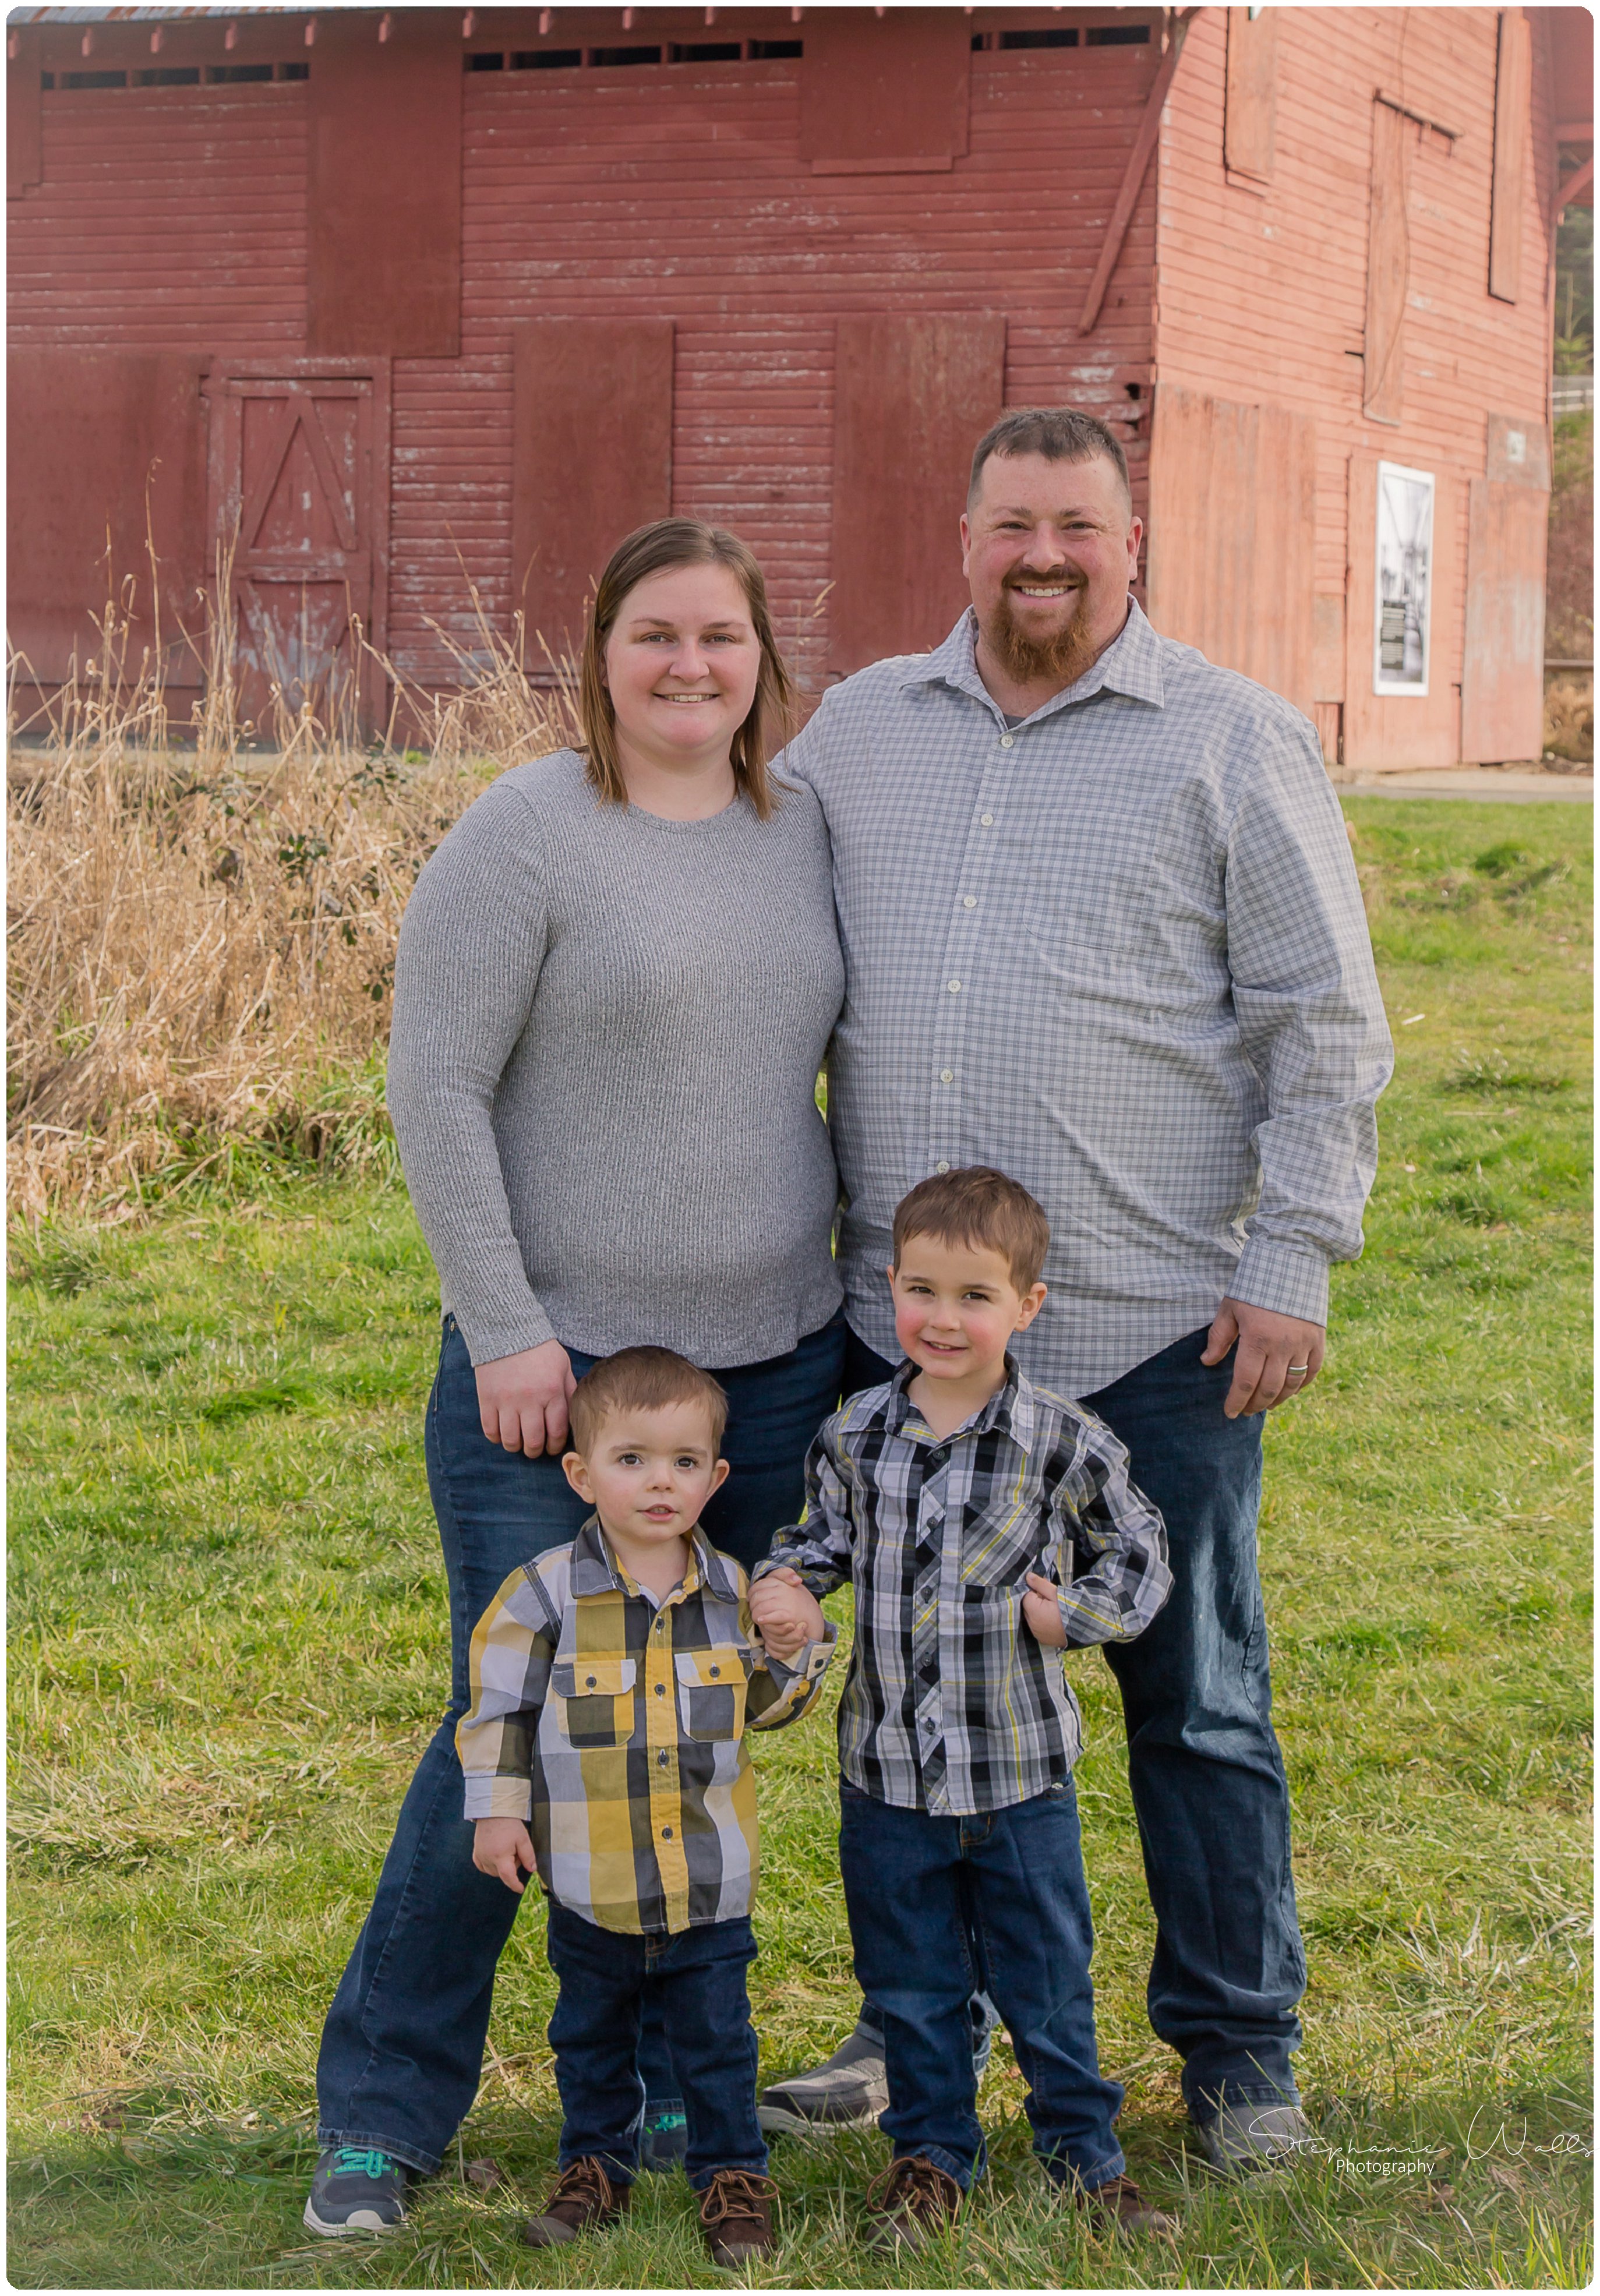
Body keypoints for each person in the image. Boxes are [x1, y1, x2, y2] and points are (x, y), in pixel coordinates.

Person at [758, 408, 1394, 2176]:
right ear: (961, 539)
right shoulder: (860, 733)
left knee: (1191, 1696)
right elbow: (729, 884)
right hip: (918, 1355)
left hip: (1154, 1334)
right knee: (914, 1704)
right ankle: (919, 2034)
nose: (1043, 557)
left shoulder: (1230, 740)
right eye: (1012, 526)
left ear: (1133, 548)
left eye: (1077, 531)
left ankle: (1238, 2051)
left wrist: (1289, 1263)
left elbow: (1321, 1028)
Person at [304, 518, 848, 2236]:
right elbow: (434, 1086)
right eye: (655, 636)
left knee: (696, 1720)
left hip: (769, 1373)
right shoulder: (528, 832)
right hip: (554, 1388)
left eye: (722, 638)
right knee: (514, 1730)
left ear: (765, 659)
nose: (691, 666)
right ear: (599, 653)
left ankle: (680, 2089)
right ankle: (385, 2111)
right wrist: (508, 1325)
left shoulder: (803, 826)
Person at [749, 1168, 1174, 2246]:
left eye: (975, 1295)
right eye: (922, 1290)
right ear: (891, 1287)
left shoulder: (1061, 1439)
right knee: (913, 1984)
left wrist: (1075, 1613)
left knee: (1046, 1979)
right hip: (887, 1777)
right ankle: (932, 2154)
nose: (944, 1318)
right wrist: (785, 1588)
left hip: (1018, 1775)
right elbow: (819, 1543)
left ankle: (1084, 2154)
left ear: (1028, 1304)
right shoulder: (854, 1436)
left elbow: (1142, 1549)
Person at [461, 1347, 833, 2266]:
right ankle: (594, 2167)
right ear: (583, 1475)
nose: (658, 1483)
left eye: (683, 1462)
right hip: (592, 1879)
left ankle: (731, 2176)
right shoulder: (542, 1594)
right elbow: (498, 1709)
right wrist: (500, 1812)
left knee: (716, 2043)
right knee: (588, 2034)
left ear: (717, 1477)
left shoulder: (736, 1594)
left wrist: (797, 1647)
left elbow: (770, 1711)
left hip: (708, 1880)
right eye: (632, 1460)